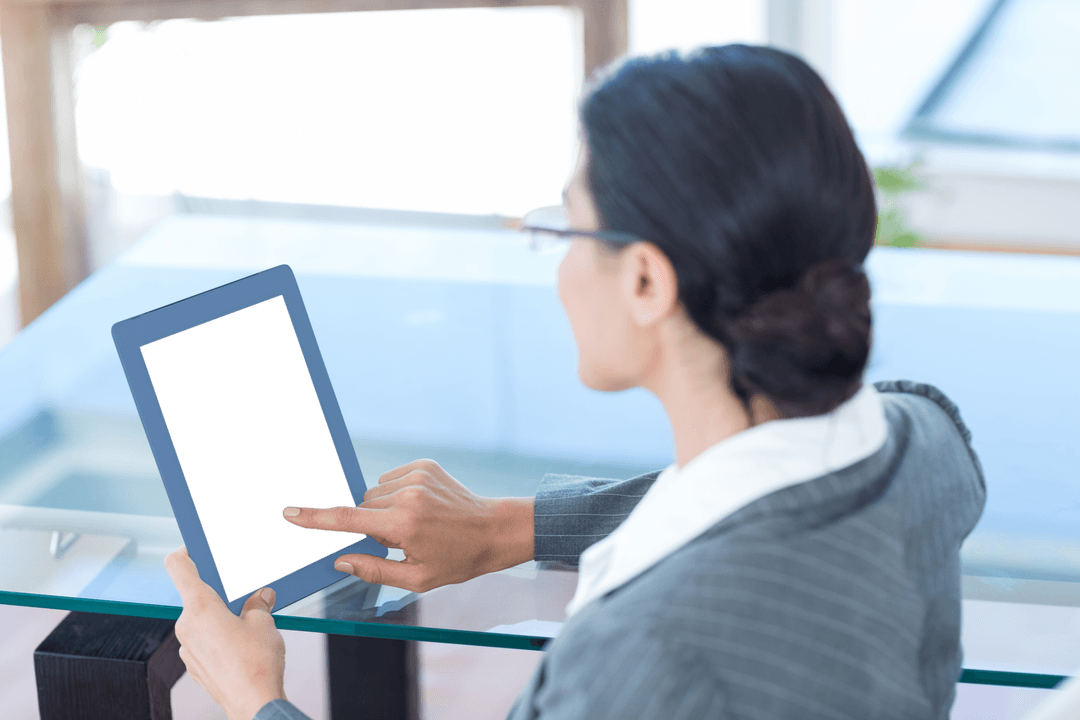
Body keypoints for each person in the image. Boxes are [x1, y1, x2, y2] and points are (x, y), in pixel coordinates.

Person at [164, 44, 986, 720]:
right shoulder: (927, 444)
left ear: (645, 283)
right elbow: (759, 492)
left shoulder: (642, 657)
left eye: (568, 228)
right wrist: (513, 528)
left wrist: (255, 700)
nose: (558, 265)